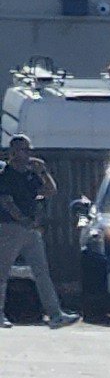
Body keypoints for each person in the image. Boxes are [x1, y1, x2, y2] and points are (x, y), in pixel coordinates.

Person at [0, 135, 74, 327]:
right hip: (10, 228)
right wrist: (22, 219)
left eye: (28, 150)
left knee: (42, 272)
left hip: (30, 230)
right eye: (22, 150)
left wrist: (43, 172)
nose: (26, 154)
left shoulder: (30, 175)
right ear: (12, 152)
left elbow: (50, 190)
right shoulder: (6, 175)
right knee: (2, 272)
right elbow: (7, 202)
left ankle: (55, 314)